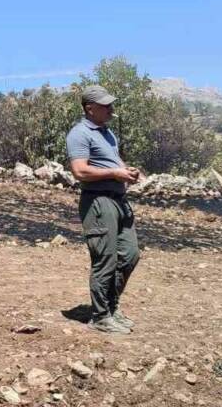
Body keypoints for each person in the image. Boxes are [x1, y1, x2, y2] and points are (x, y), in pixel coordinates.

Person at [66, 85, 142, 335]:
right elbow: (80, 171)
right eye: (105, 105)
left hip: (119, 199)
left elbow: (114, 162)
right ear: (90, 108)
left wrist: (126, 171)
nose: (111, 109)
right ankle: (100, 316)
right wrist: (114, 173)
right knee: (105, 259)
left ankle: (111, 307)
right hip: (98, 201)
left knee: (129, 255)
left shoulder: (108, 134)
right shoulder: (79, 134)